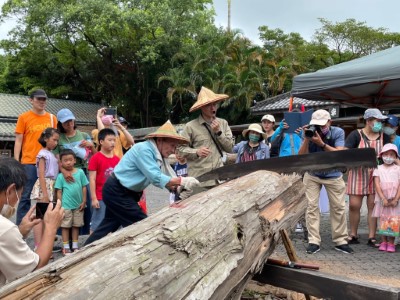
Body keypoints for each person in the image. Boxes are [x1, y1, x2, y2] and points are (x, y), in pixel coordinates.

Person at [85, 120, 200, 245]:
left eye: (175, 147)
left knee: (108, 225)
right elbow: (155, 177)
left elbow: (165, 175)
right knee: (144, 225)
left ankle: (84, 251)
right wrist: (182, 181)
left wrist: (176, 188)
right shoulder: (144, 149)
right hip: (117, 191)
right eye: (172, 146)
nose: (173, 150)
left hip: (123, 192)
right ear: (160, 140)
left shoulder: (159, 155)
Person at [0, 158, 64, 287]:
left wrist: (20, 231)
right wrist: (51, 228)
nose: (16, 201)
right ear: (11, 190)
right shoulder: (5, 228)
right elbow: (34, 268)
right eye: (19, 194)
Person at [298, 109, 354, 254]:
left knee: (338, 208)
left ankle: (341, 241)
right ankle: (313, 241)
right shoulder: (308, 132)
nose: (319, 128)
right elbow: (301, 156)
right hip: (312, 174)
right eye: (316, 125)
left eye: (322, 125)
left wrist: (322, 144)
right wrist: (306, 138)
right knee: (311, 207)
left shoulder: (338, 132)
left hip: (333, 174)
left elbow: (339, 154)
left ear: (330, 122)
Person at [345, 108, 390, 246]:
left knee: (372, 205)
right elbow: (346, 153)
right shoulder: (355, 135)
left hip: (376, 175)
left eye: (381, 121)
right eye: (378, 121)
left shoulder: (384, 136)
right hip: (357, 173)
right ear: (369, 121)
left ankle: (371, 237)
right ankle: (353, 234)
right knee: (354, 205)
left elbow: (389, 154)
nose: (380, 124)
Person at [178, 86, 234, 195]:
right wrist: (196, 152)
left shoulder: (223, 123)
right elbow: (179, 149)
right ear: (202, 107)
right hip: (199, 181)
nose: (213, 108)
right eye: (209, 105)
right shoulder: (190, 126)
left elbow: (230, 148)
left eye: (215, 104)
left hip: (219, 179)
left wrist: (219, 132)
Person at [14, 89, 57, 226]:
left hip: (48, 162)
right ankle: (21, 227)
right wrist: (16, 162)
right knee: (26, 196)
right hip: (29, 162)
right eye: (39, 99)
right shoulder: (24, 117)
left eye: (44, 99)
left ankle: (43, 226)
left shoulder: (52, 118)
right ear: (31, 100)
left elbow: (55, 140)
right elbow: (19, 140)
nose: (42, 102)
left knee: (47, 195)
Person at [54, 108, 95, 235]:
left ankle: (85, 232)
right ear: (60, 123)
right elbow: (56, 159)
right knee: (65, 202)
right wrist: (63, 172)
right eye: (65, 122)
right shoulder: (58, 138)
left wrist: (91, 145)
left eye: (71, 120)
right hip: (65, 174)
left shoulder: (83, 135)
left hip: (81, 171)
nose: (69, 124)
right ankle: (65, 235)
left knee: (84, 200)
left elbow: (94, 156)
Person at [55, 149, 89, 255]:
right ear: (61, 162)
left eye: (70, 159)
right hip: (66, 206)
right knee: (65, 226)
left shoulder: (80, 172)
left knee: (76, 225)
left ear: (75, 160)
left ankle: (74, 245)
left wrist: (84, 201)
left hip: (78, 205)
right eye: (65, 160)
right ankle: (65, 247)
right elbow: (59, 191)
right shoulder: (61, 176)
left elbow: (84, 187)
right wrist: (60, 205)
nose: (68, 162)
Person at [31, 128, 60, 250]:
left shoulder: (51, 154)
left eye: (57, 140)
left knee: (46, 215)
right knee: (40, 216)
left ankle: (45, 244)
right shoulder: (42, 154)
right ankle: (39, 246)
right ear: (45, 139)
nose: (56, 143)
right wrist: (45, 194)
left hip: (51, 184)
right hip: (45, 185)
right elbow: (41, 175)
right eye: (54, 140)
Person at [88, 128, 120, 233]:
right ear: (101, 142)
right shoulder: (95, 158)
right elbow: (92, 179)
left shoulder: (117, 160)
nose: (113, 142)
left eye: (114, 140)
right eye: (110, 140)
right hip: (100, 197)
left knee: (117, 222)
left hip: (115, 197)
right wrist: (93, 198)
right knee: (97, 223)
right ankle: (91, 246)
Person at [372, 143, 400, 253]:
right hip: (382, 199)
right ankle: (383, 241)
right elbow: (377, 184)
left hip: (394, 200)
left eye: (392, 155)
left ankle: (391, 242)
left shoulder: (398, 169)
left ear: (395, 157)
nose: (389, 157)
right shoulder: (378, 168)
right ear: (382, 155)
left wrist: (396, 199)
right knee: (383, 220)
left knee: (393, 221)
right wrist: (383, 198)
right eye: (386, 154)